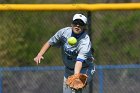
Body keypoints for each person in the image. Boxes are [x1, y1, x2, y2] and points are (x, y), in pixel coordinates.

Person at [34, 13, 95, 93]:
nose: (77, 25)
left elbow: (79, 61)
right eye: (75, 22)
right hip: (68, 70)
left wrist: (76, 75)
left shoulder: (85, 41)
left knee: (76, 89)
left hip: (84, 69)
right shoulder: (64, 32)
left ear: (84, 27)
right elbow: (50, 42)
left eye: (80, 24)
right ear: (71, 23)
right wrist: (40, 54)